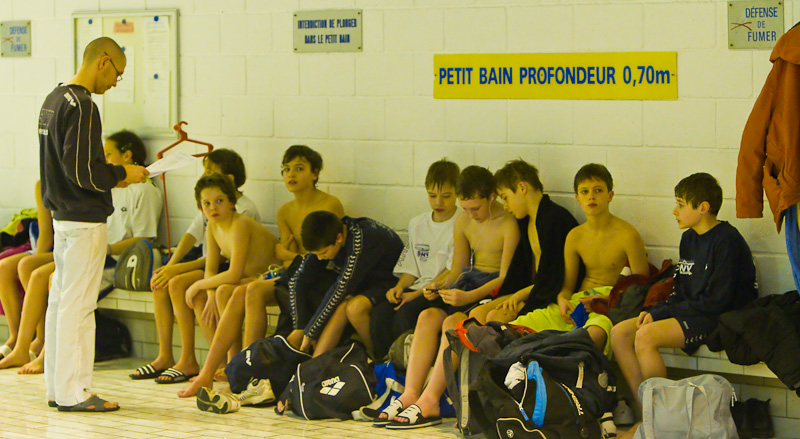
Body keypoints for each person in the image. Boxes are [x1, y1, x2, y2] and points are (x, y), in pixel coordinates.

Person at [177, 145, 344, 397]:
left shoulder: (330, 204)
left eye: (299, 168)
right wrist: (208, 290)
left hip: (316, 275)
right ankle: (226, 368)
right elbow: (284, 253)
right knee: (223, 292)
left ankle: (247, 370)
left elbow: (320, 252)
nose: (291, 174)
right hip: (288, 273)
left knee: (249, 289)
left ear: (315, 173)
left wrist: (291, 255)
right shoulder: (284, 211)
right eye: (286, 169)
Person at [38, 36, 148, 412]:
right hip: (84, 220)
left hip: (62, 218)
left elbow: (65, 167)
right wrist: (123, 174)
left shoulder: (54, 98)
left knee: (60, 304)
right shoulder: (83, 105)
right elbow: (84, 172)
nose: (116, 82)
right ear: (103, 61)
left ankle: (57, 388)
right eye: (118, 73)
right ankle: (75, 393)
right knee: (79, 307)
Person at [1, 132, 161, 374]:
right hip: (90, 247)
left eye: (108, 154)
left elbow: (145, 238)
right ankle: (24, 343)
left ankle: (44, 350)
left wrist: (106, 248)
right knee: (27, 267)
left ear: (128, 156)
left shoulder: (144, 190)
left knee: (46, 277)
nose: (104, 160)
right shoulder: (108, 185)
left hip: (117, 258)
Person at [382, 165, 519, 429]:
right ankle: (410, 393)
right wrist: (437, 286)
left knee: (452, 324)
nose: (470, 214)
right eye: (465, 208)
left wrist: (467, 296)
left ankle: (431, 399)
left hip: (493, 288)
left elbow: (504, 277)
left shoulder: (508, 224)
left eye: (475, 208)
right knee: (427, 316)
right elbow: (457, 270)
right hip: (469, 281)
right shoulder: (464, 220)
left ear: (492, 197)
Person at [610, 173, 758, 406]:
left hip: (719, 317)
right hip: (694, 311)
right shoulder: (688, 238)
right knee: (620, 333)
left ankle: (662, 416)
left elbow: (717, 301)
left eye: (680, 204)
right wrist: (657, 310)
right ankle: (645, 410)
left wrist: (664, 313)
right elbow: (679, 290)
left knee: (646, 337)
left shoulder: (727, 241)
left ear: (703, 208)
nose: (674, 211)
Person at [131, 148, 261, 383]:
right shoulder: (210, 204)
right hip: (211, 267)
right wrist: (169, 265)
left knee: (180, 284)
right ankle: (166, 356)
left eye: (210, 171)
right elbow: (190, 236)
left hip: (232, 269)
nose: (203, 176)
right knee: (162, 282)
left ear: (228, 180)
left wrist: (178, 270)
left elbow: (224, 260)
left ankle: (201, 361)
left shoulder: (241, 209)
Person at [510, 163, 649, 357]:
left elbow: (641, 287)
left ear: (610, 196)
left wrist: (604, 300)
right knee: (515, 327)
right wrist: (562, 300)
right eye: (585, 192)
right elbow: (567, 286)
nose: (591, 196)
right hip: (579, 301)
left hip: (608, 306)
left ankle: (565, 363)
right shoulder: (575, 236)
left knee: (594, 334)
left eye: (598, 190)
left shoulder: (627, 235)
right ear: (577, 198)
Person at [369, 158, 460, 360]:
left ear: (457, 193)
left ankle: (406, 366)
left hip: (439, 291)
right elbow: (412, 266)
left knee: (404, 315)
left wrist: (417, 295)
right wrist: (399, 288)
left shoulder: (462, 223)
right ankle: (383, 364)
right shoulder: (417, 223)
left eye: (446, 196)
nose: (438, 202)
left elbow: (453, 270)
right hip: (417, 288)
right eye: (432, 196)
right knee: (379, 315)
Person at [287, 211, 404, 357]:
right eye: (316, 254)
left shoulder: (363, 239)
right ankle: (314, 364)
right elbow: (297, 280)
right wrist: (299, 326)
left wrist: (311, 331)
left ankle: (377, 357)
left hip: (391, 281)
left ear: (339, 238)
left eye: (323, 253)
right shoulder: (329, 235)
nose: (320, 258)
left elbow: (341, 287)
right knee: (340, 306)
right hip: (365, 279)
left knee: (354, 308)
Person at [476, 159, 578, 324]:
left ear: (522, 188)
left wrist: (519, 295)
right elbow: (520, 271)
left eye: (506, 198)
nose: (505, 206)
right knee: (477, 314)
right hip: (534, 289)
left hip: (550, 295)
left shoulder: (556, 220)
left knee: (494, 317)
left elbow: (553, 278)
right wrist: (515, 294)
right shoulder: (526, 221)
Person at [0, 181, 53, 363]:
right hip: (52, 245)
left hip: (72, 245)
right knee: (4, 267)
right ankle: (15, 336)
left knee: (28, 266)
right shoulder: (43, 184)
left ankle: (40, 338)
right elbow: (45, 234)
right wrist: (38, 257)